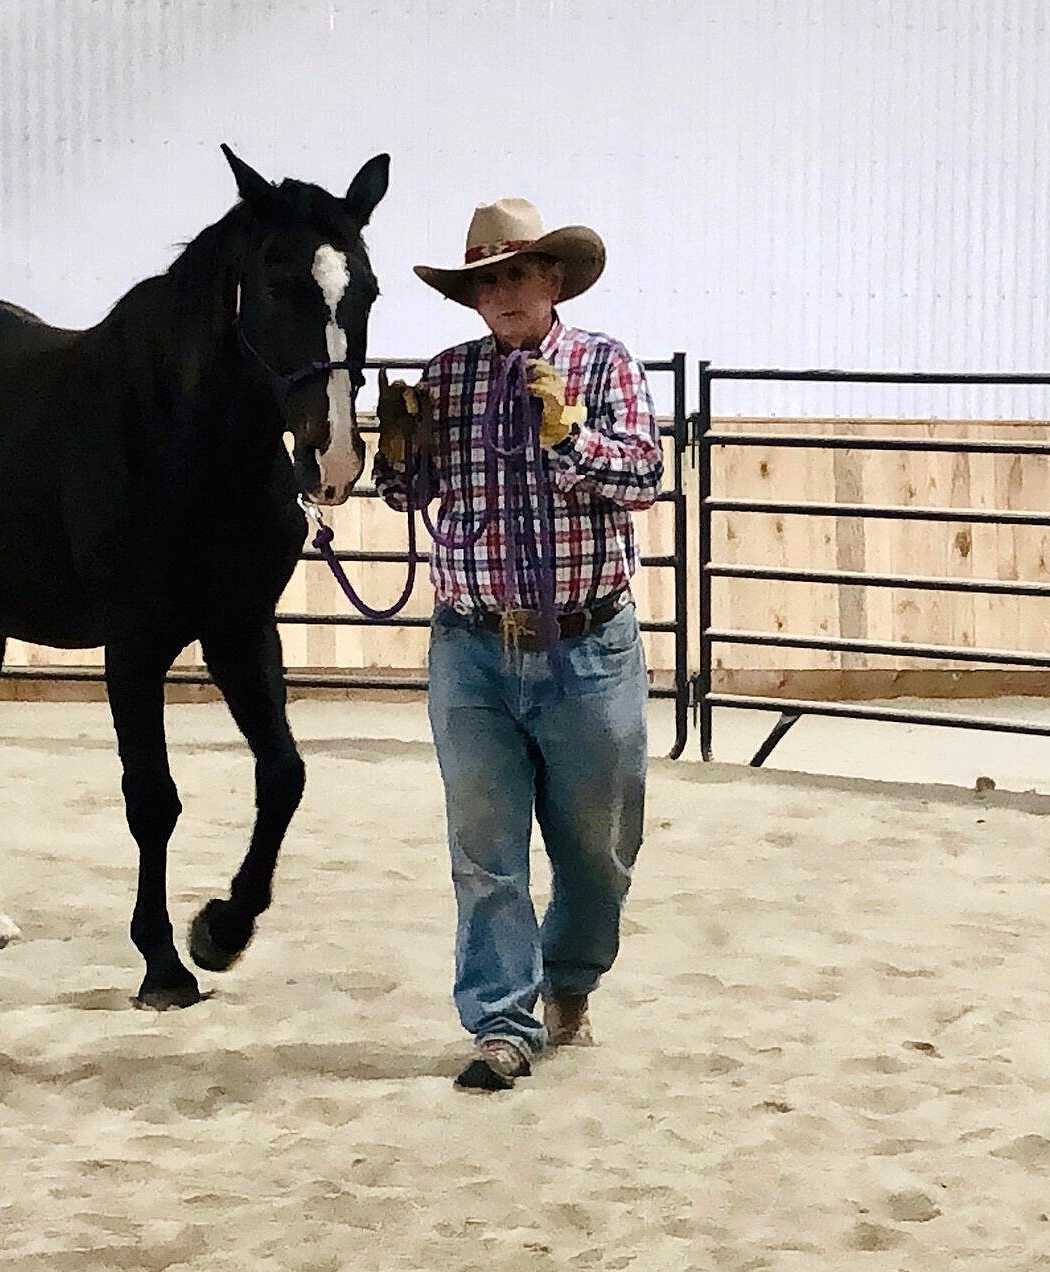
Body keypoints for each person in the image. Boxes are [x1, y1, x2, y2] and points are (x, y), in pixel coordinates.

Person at [374, 197, 662, 1089]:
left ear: (552, 281)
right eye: (484, 281)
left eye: (516, 275)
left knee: (597, 846)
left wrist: (569, 434)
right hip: (471, 643)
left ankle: (571, 978)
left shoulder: (604, 365)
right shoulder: (448, 376)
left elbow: (646, 475)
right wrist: (400, 451)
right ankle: (503, 1020)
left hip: (587, 642)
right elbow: (407, 495)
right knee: (484, 845)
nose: (501, 293)